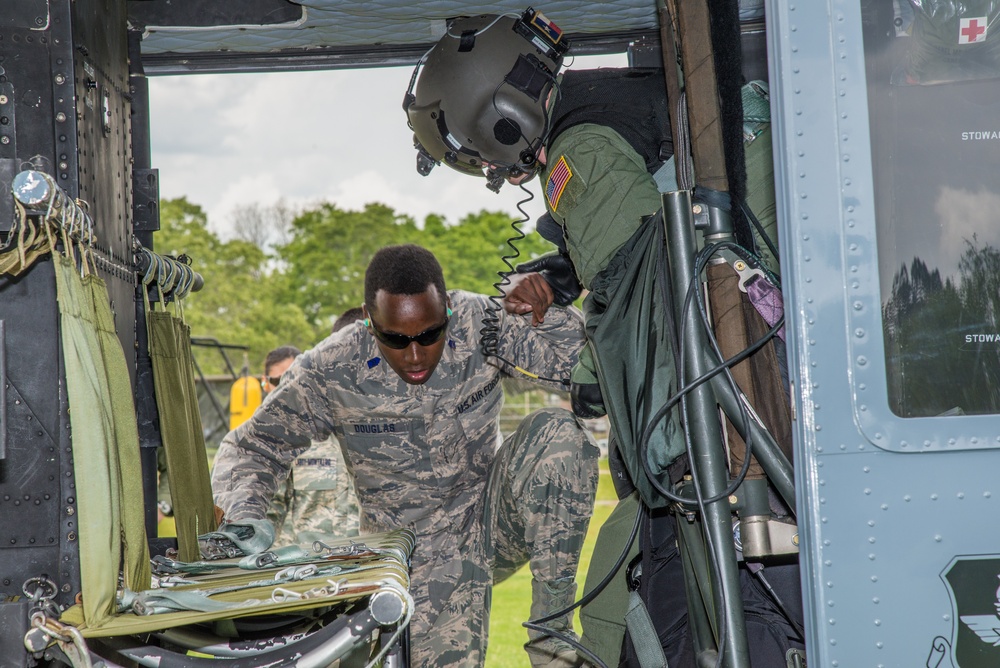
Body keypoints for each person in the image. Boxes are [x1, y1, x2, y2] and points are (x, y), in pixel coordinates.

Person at [403, 10, 803, 667]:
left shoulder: (577, 149)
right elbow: (649, 220)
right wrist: (560, 273)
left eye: (482, 157)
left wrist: (589, 385)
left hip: (736, 409)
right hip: (762, 361)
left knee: (635, 585)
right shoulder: (602, 109)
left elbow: (638, 293)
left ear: (498, 118)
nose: (494, 170)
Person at [211, 244, 599, 668]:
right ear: (368, 319)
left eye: (430, 334)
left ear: (448, 307)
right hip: (409, 554)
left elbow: (585, 374)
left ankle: (552, 633)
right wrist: (245, 520)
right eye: (395, 339)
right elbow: (252, 447)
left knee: (558, 433)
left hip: (488, 521)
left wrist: (549, 306)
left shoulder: (481, 323)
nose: (415, 355)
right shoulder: (332, 367)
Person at [263, 329, 361, 547]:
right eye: (278, 381)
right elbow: (269, 512)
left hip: (363, 558)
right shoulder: (284, 440)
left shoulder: (362, 430)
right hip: (305, 563)